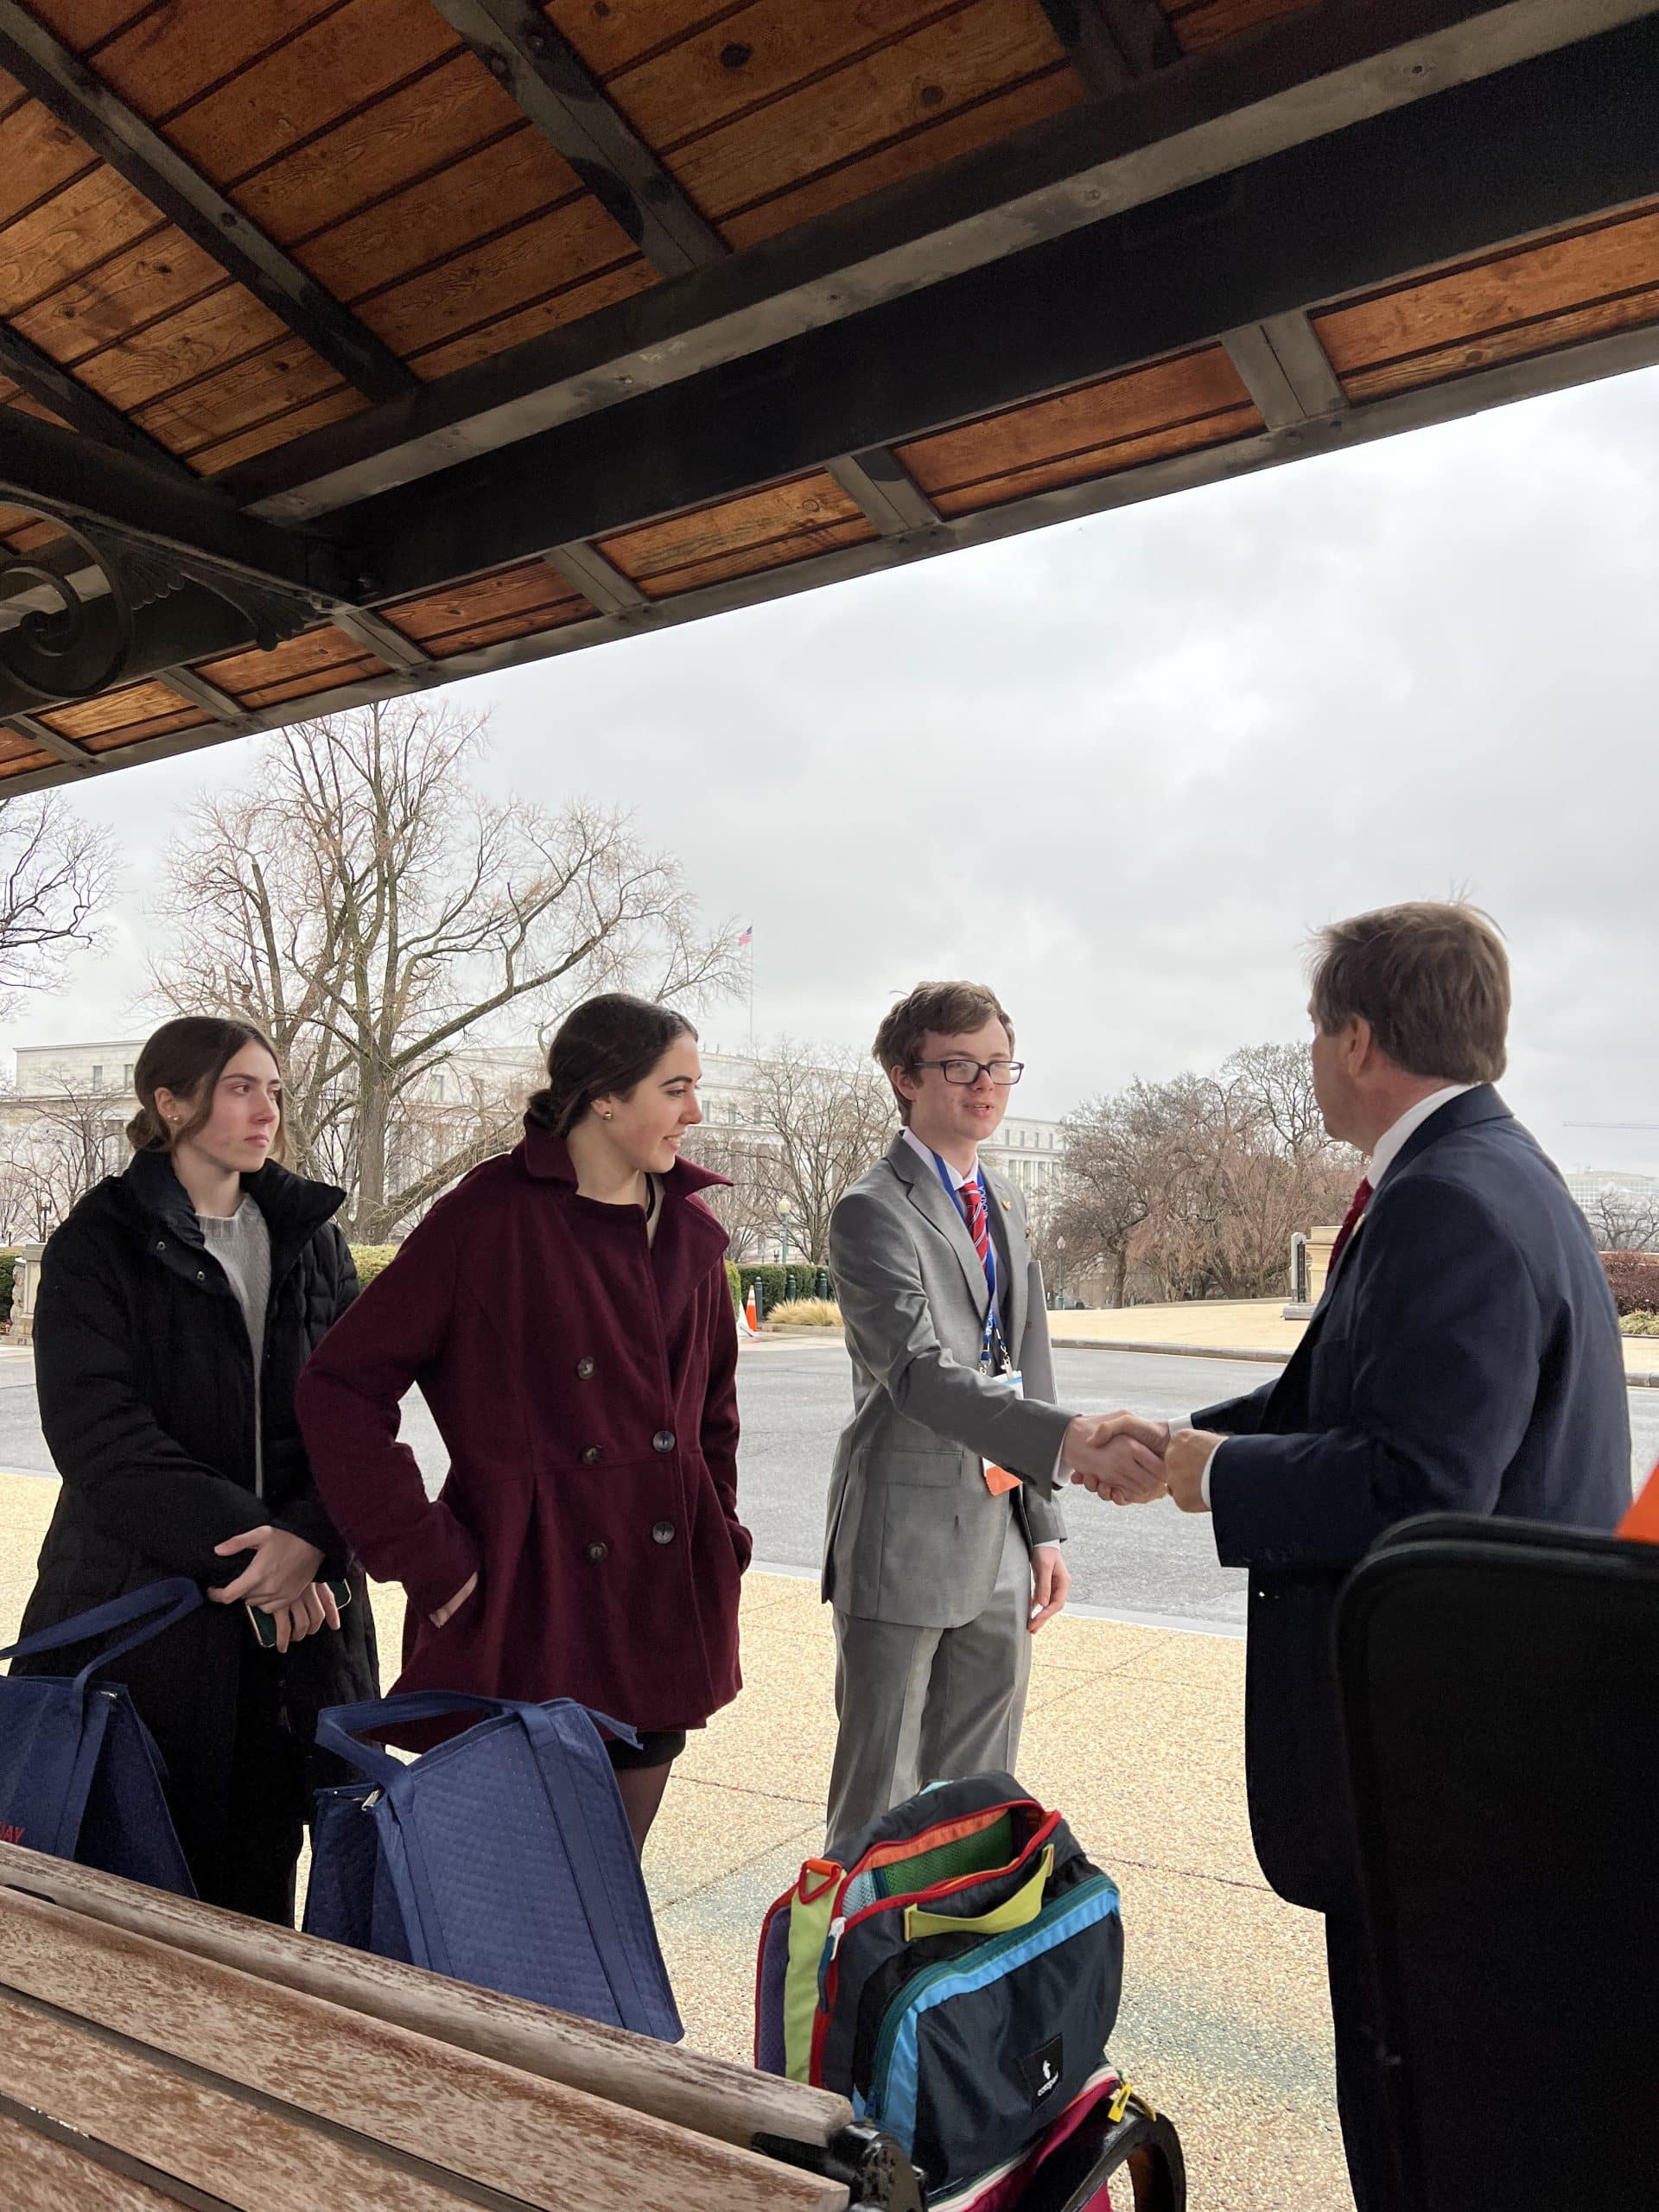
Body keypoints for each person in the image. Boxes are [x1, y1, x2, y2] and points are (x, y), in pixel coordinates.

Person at [1075, 903, 1630, 2212]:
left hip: (1452, 1763)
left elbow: (1418, 1484)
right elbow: (1349, 1401)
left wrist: (1207, 1473)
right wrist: (1182, 1443)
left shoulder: (1450, 1201)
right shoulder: (1484, 1172)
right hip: (1492, 1746)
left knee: (1419, 2119)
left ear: (1362, 1041)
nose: (1314, 1056)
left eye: (1318, 1030)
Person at [295, 994, 748, 1853]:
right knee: (511, 1893)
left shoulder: (691, 1230)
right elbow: (340, 1386)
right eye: (676, 1088)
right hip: (532, 1597)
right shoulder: (489, 1217)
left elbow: (713, 1415)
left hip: (654, 1598)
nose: (695, 1112)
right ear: (604, 1095)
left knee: (608, 1887)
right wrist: (427, 1554)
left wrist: (718, 1536)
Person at [11, 1016, 375, 1922]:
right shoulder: (101, 1240)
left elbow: (360, 1412)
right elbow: (100, 1435)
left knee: (261, 1899)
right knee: (124, 1901)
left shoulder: (312, 1238)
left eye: (275, 1090)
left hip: (296, 1635)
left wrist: (312, 1539)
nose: (267, 1111)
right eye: (241, 1088)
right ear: (170, 1103)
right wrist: (262, 1554)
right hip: (147, 1613)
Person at [821, 981, 1165, 1857]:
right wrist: (1068, 1440)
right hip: (902, 1541)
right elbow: (916, 1373)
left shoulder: (1004, 1200)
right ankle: (851, 1948)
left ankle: (952, 1948)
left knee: (979, 1806)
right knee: (876, 1808)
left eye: (1000, 1065)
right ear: (905, 1077)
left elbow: (1027, 1362)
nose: (986, 1084)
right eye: (961, 1065)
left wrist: (1043, 1527)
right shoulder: (871, 1209)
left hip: (1002, 1538)